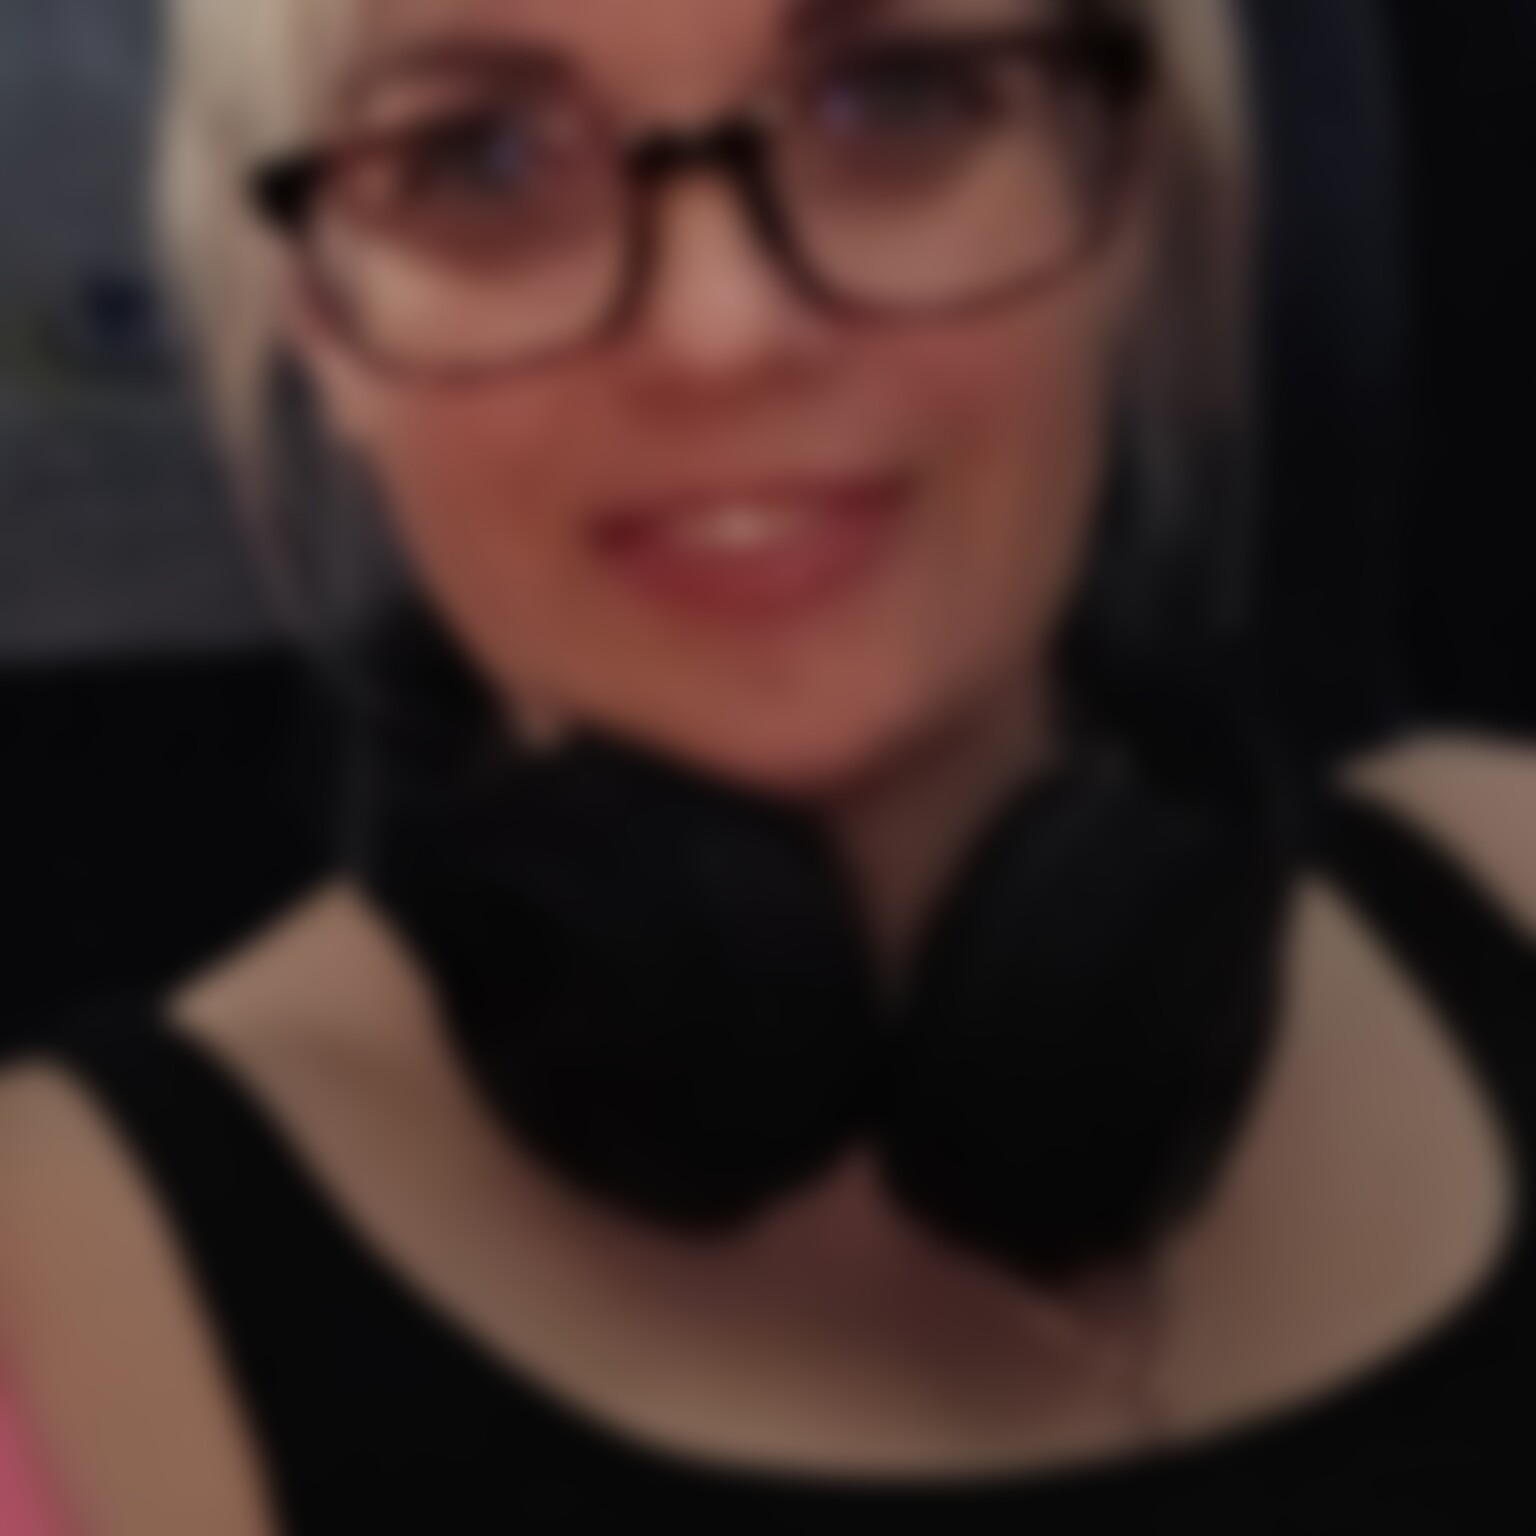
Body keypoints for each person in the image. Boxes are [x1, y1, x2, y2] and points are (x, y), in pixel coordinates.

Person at [0, 0, 1530, 1531]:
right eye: (483, 161)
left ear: (1122, 183)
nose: (720, 334)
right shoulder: (56, 1291)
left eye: (897, 99)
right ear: (323, 325)